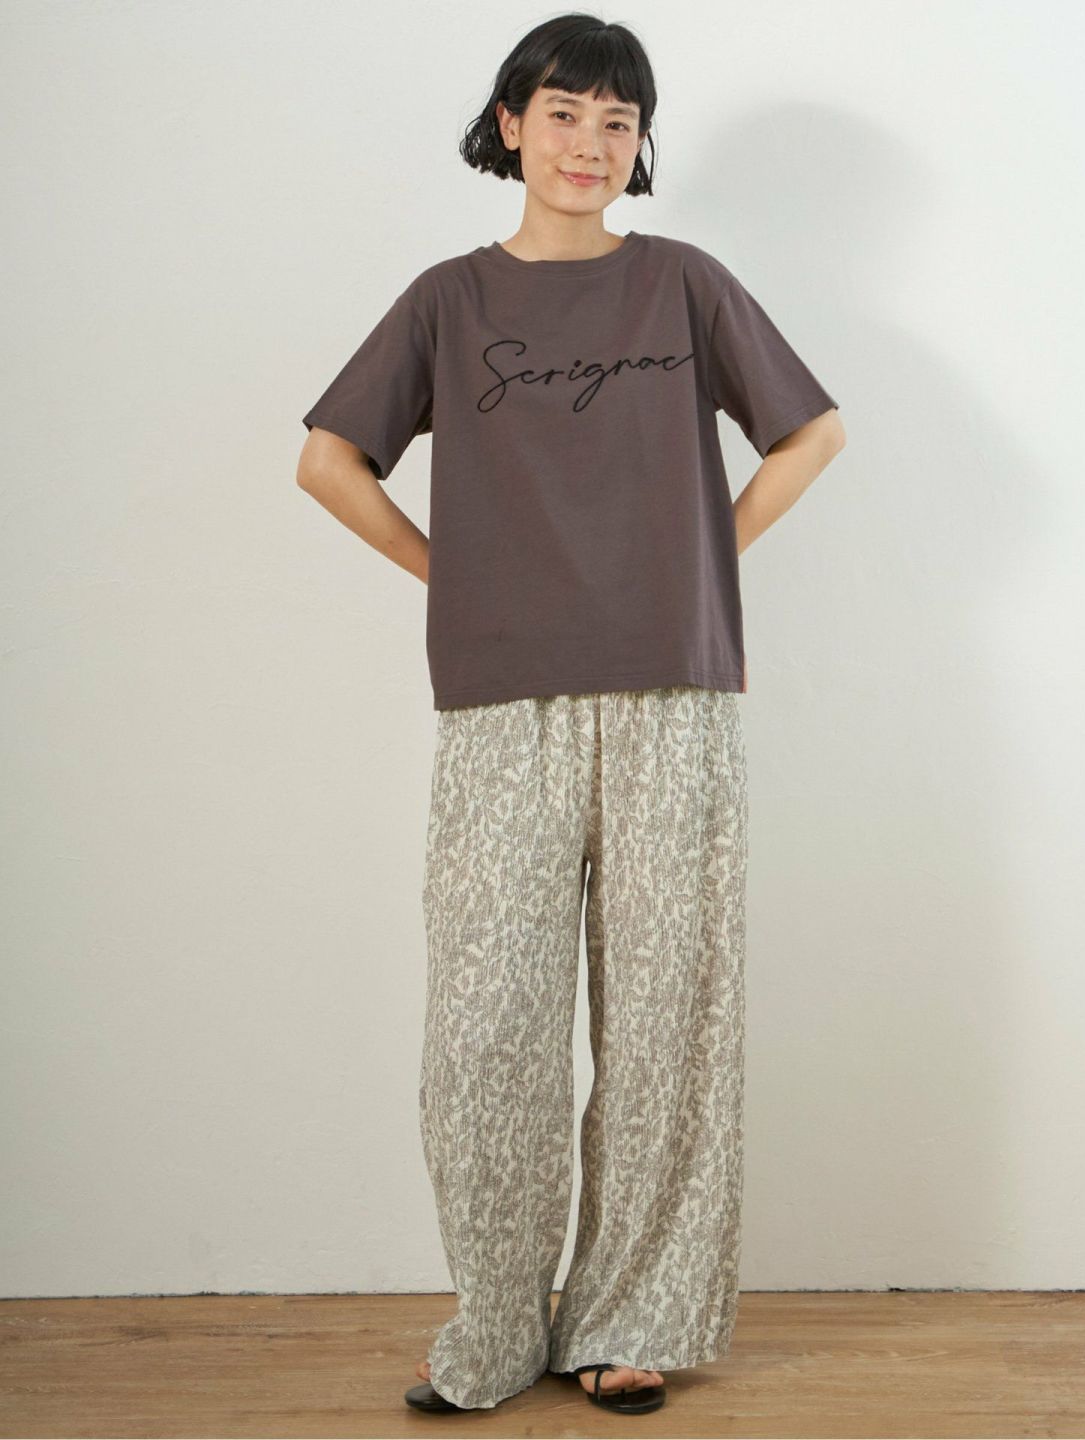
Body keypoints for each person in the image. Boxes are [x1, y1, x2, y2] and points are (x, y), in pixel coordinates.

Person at [295, 11, 845, 1417]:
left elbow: (813, 432)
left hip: (676, 693)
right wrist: (456, 569)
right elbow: (328, 460)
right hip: (501, 699)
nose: (589, 143)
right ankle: (495, 1322)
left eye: (617, 121)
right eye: (563, 113)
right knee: (489, 1024)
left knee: (668, 1018)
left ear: (639, 143)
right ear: (510, 125)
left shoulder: (684, 284)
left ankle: (626, 1316)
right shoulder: (448, 300)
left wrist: (703, 553)